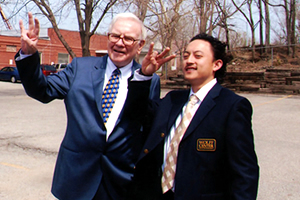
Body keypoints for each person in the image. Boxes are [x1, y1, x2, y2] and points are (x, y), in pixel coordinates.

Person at [15, 12, 175, 200]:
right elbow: (42, 90)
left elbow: (144, 125)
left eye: (128, 38)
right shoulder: (80, 68)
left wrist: (144, 78)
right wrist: (29, 54)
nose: (119, 43)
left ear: (140, 46)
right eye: (115, 36)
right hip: (77, 177)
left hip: (120, 181)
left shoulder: (149, 79)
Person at [132, 33, 260, 200]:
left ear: (217, 64)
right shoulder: (172, 100)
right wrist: (144, 75)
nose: (189, 60)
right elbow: (135, 114)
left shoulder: (232, 106)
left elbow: (245, 173)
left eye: (197, 56)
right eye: (186, 56)